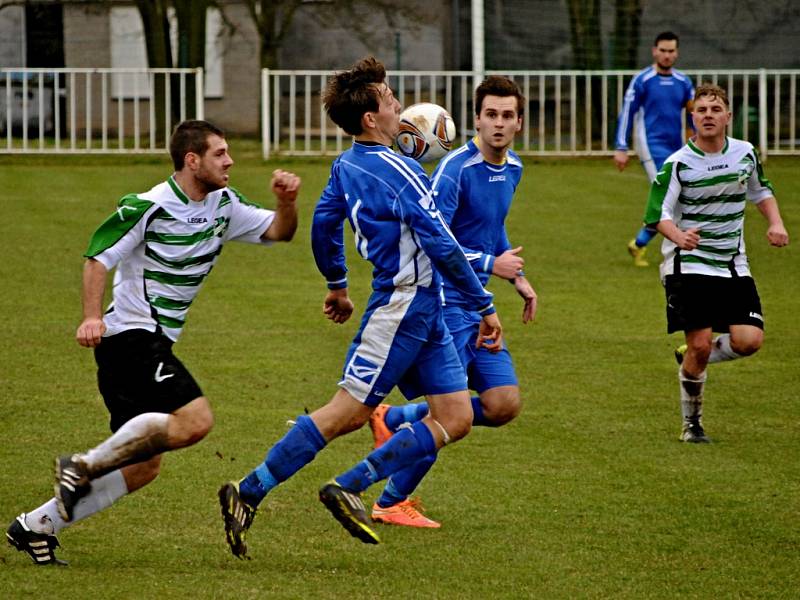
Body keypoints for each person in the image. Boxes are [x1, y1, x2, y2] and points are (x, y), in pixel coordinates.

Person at [218, 56, 502, 557]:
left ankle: (350, 484)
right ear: (371, 118)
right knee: (346, 413)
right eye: (391, 100)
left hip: (426, 310)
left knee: (455, 417)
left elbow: (324, 222)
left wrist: (336, 284)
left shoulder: (346, 164)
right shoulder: (402, 171)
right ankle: (248, 490)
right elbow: (441, 243)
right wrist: (484, 305)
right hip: (401, 308)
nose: (399, 107)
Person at [5, 120, 300, 565]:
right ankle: (82, 467)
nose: (230, 160)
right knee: (195, 420)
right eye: (220, 153)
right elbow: (97, 258)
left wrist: (285, 202)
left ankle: (36, 526)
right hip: (131, 336)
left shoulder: (224, 204)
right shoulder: (148, 205)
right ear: (192, 160)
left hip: (153, 340)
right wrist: (90, 316)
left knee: (144, 467)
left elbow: (280, 231)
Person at [366, 75, 537, 529]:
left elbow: (492, 226)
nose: (498, 124)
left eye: (507, 116)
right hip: (446, 303)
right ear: (476, 120)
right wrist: (489, 266)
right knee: (451, 413)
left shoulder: (514, 168)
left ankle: (397, 416)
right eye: (490, 115)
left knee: (503, 404)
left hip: (479, 302)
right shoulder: (454, 170)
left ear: (519, 122)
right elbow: (433, 242)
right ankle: (390, 500)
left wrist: (515, 275)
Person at [643, 83, 789, 443]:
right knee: (702, 343)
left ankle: (691, 356)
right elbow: (655, 214)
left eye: (715, 109)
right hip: (688, 266)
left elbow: (760, 190)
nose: (708, 115)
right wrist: (678, 236)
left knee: (749, 340)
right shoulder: (678, 164)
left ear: (728, 116)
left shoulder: (746, 154)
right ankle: (692, 425)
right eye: (701, 110)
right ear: (692, 118)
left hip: (732, 264)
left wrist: (775, 222)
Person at [614, 31, 695, 267]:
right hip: (650, 147)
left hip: (676, 148)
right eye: (663, 50)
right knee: (669, 195)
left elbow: (692, 115)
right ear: (654, 51)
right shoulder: (643, 80)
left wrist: (697, 141)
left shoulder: (683, 82)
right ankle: (674, 247)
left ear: (676, 53)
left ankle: (639, 243)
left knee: (674, 197)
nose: (667, 55)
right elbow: (627, 113)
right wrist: (621, 146)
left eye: (671, 51)